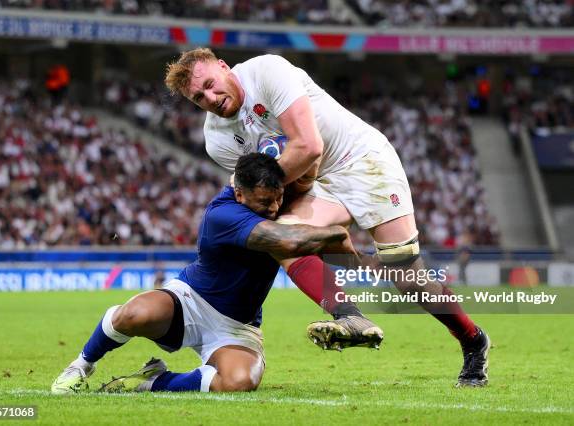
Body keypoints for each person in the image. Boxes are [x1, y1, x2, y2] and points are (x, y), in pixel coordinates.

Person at [164, 48, 490, 387]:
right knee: (285, 239)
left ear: (222, 66)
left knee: (407, 277)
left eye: (210, 85)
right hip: (315, 183)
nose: (210, 98)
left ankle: (472, 340)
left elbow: (309, 147)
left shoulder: (267, 71)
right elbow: (264, 187)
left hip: (362, 162)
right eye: (198, 97)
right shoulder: (217, 140)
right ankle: (351, 318)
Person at [51, 153, 359, 394]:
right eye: (265, 201)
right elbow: (290, 241)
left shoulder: (273, 209)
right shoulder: (223, 214)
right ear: (240, 194)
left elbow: (304, 258)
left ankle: (155, 381)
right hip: (190, 301)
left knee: (238, 382)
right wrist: (335, 231)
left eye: (278, 198)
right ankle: (81, 366)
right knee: (134, 314)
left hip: (237, 326)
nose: (274, 207)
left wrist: (346, 303)